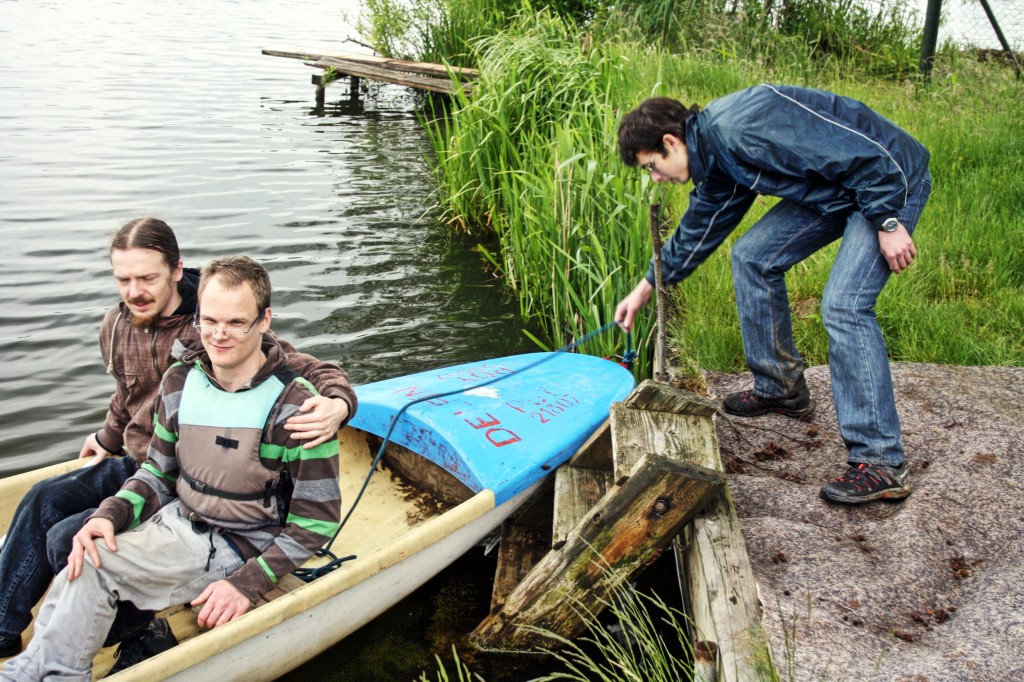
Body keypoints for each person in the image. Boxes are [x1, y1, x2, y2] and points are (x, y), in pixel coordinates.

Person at [0, 218, 356, 671]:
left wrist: (339, 402)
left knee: (68, 544)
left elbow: (314, 517)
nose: (219, 333)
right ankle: (16, 645)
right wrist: (108, 477)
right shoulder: (147, 350)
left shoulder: (286, 399)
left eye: (146, 277)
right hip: (159, 472)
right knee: (57, 517)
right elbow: (139, 427)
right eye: (124, 279)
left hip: (232, 518)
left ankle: (131, 635)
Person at [614, 85, 931, 505]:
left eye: (652, 166)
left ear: (670, 142)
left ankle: (881, 462)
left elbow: (862, 155)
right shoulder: (715, 155)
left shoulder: (740, 129)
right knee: (753, 257)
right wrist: (645, 288)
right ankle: (781, 388)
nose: (656, 178)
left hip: (886, 181)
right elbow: (700, 228)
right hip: (838, 189)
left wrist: (887, 222)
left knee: (845, 305)